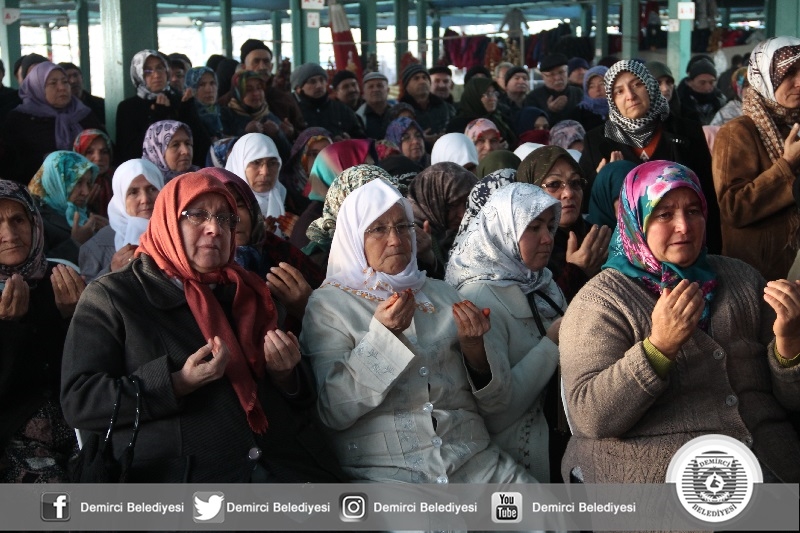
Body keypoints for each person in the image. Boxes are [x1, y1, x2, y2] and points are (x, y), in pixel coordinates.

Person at [61, 172, 346, 483]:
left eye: (225, 218)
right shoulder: (115, 296)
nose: (215, 228)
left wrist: (286, 374)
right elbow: (81, 400)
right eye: (197, 215)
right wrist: (176, 383)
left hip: (283, 466)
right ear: (168, 220)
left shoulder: (249, 290)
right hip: (183, 479)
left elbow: (301, 398)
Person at [560, 160, 800, 484]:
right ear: (635, 220)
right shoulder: (602, 301)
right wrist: (659, 347)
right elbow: (591, 418)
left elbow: (792, 399)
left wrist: (789, 344)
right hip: (664, 479)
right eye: (664, 214)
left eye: (693, 211)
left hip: (771, 464)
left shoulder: (742, 279)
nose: (684, 227)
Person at [299, 178, 538, 485]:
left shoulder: (443, 294)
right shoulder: (330, 305)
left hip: (475, 463)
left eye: (403, 226)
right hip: (388, 476)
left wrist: (474, 349)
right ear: (355, 237)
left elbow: (497, 402)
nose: (395, 240)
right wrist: (384, 337)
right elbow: (333, 410)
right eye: (378, 229)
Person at [445, 182, 565, 481]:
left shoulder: (541, 282)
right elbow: (499, 412)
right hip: (524, 454)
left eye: (550, 226)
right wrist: (551, 344)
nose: (547, 238)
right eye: (533, 227)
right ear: (504, 231)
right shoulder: (481, 297)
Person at [579, 60, 721, 254]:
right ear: (612, 100)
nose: (630, 96)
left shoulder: (687, 131)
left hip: (682, 242)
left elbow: (708, 196)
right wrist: (600, 178)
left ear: (650, 86)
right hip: (625, 251)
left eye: (637, 84)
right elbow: (584, 202)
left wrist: (711, 252)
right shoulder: (597, 140)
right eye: (619, 91)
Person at [0, 180, 85, 482]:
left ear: (34, 222)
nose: (10, 234)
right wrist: (8, 329)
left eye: (18, 220)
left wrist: (73, 318)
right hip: (13, 434)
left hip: (78, 420)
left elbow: (92, 369)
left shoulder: (60, 277)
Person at [713, 37, 800, 282]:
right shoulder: (738, 132)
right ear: (765, 77)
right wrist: (786, 165)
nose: (799, 82)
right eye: (789, 73)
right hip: (756, 278)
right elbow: (733, 207)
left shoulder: (795, 125)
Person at [199, 167, 324, 335]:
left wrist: (307, 307)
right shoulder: (197, 281)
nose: (232, 218)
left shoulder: (279, 253)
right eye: (215, 212)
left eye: (239, 204)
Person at [518, 146, 611, 302]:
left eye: (575, 183)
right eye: (554, 184)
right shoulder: (521, 248)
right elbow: (541, 311)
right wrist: (577, 271)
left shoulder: (597, 238)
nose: (569, 193)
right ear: (530, 190)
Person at [0, 61, 103, 185]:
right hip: (35, 190)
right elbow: (11, 165)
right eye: (53, 83)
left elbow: (105, 150)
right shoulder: (19, 120)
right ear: (36, 86)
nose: (62, 87)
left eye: (65, 82)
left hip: (88, 188)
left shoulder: (83, 114)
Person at [78, 159, 164, 282]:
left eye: (152, 189)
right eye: (133, 192)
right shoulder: (97, 246)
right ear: (120, 198)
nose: (145, 199)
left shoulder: (179, 231)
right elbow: (88, 292)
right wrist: (111, 271)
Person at [27, 150, 106, 264]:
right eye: (78, 182)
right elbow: (37, 267)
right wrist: (76, 242)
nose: (86, 192)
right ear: (55, 181)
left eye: (88, 183)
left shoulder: (81, 210)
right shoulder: (34, 220)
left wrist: (108, 232)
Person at [408, 162, 477, 270]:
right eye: (452, 205)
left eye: (468, 202)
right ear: (432, 202)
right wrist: (428, 257)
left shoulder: (471, 230)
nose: (463, 214)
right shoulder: (410, 237)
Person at [115, 50, 181, 164]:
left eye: (160, 68)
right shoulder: (128, 108)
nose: (156, 75)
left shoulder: (178, 100)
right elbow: (128, 152)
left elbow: (198, 144)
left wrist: (189, 110)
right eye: (148, 71)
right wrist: (157, 118)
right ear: (138, 74)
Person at [225, 133, 289, 237]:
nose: (265, 172)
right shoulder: (225, 206)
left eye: (272, 163)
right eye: (256, 162)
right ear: (240, 164)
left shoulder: (288, 200)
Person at [220, 71, 291, 161]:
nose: (256, 93)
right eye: (249, 90)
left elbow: (288, 156)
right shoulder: (226, 115)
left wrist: (278, 134)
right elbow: (223, 153)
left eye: (259, 88)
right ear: (238, 92)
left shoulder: (268, 115)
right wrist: (246, 134)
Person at [291, 63, 365, 140]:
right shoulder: (294, 111)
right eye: (312, 82)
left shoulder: (342, 110)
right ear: (299, 88)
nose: (319, 85)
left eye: (322, 80)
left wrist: (350, 142)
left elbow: (362, 140)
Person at [447, 77, 517, 148]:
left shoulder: (501, 118)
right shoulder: (458, 126)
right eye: (488, 94)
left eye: (495, 93)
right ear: (474, 96)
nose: (494, 98)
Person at [398, 64, 455, 147]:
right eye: (416, 78)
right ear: (406, 85)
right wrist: (419, 138)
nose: (422, 81)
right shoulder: (400, 111)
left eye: (425, 78)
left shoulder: (444, 107)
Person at [279, 127, 332, 216]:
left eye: (327, 153)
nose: (322, 160)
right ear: (301, 156)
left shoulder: (340, 186)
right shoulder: (283, 190)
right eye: (314, 154)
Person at [178, 66, 223, 168]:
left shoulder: (224, 113)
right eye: (201, 85)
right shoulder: (186, 115)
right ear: (191, 88)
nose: (209, 89)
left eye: (212, 83)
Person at [525, 53, 583, 126]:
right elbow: (532, 126)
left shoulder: (578, 93)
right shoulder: (533, 97)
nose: (557, 78)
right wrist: (551, 111)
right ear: (543, 77)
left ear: (567, 72)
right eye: (551, 74)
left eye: (561, 72)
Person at [73, 129, 114, 218]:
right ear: (79, 155)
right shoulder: (70, 184)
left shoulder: (120, 180)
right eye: (89, 152)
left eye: (104, 152)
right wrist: (83, 206)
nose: (98, 158)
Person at [586, 160, 637, 228]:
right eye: (622, 198)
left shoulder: (647, 229)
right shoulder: (583, 232)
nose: (630, 207)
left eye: (635, 197)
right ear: (604, 196)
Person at [676, 58, 727, 125]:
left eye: (711, 82)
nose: (707, 87)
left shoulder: (721, 103)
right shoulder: (679, 104)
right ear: (690, 83)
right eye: (702, 83)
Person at [356, 71, 394, 140]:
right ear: (363, 93)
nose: (375, 89)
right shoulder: (357, 118)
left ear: (388, 91)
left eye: (380, 86)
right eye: (371, 87)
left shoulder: (397, 114)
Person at [571, 65, 609, 132]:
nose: (597, 89)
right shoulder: (579, 114)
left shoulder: (622, 109)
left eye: (602, 84)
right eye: (592, 86)